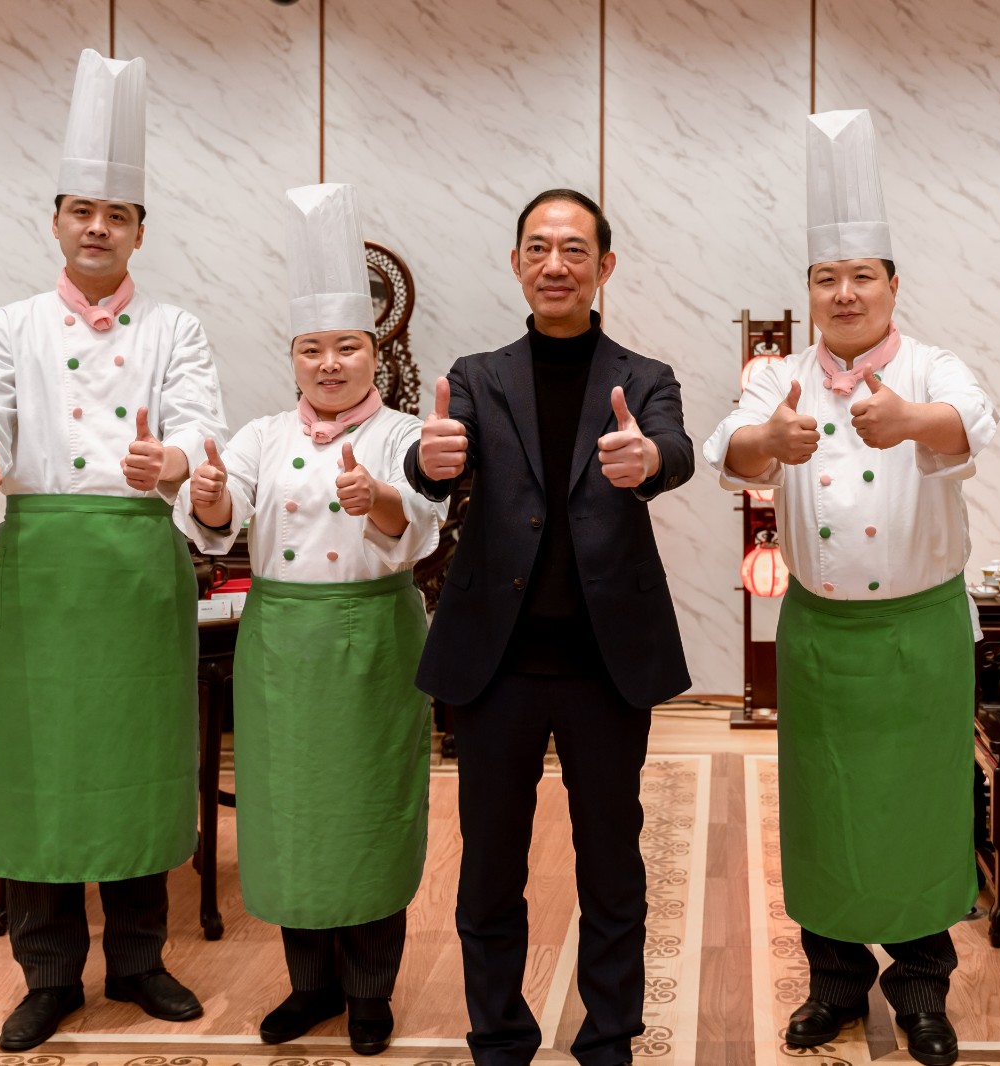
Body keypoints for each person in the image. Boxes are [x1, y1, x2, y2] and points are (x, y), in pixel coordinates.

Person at [0, 48, 226, 1052]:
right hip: (39, 568)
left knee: (141, 763)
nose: (97, 227)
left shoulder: (176, 327)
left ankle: (139, 959)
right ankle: (48, 973)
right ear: (55, 221)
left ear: (140, 229)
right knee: (39, 771)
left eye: (117, 214)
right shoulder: (11, 327)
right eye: (81, 210)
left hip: (138, 564)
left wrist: (174, 461)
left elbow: (202, 429)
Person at [704, 110, 994, 1066]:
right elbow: (730, 447)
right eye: (827, 277)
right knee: (823, 806)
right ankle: (831, 984)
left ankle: (921, 991)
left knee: (922, 807)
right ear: (810, 291)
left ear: (893, 285)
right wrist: (769, 441)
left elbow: (972, 423)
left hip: (919, 630)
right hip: (822, 631)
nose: (844, 292)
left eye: (862, 275)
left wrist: (911, 421)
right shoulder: (780, 376)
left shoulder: (933, 366)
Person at [404, 188, 693, 1065]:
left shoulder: (644, 376)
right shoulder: (479, 375)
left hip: (607, 663)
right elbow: (438, 458)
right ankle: (498, 1037)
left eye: (573, 250)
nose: (555, 264)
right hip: (497, 665)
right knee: (490, 866)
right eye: (538, 248)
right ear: (517, 263)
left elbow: (675, 449)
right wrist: (426, 460)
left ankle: (608, 1040)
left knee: (613, 863)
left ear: (604, 266)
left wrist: (648, 458)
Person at [174, 183, 442, 1057]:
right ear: (292, 356)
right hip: (282, 645)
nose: (330, 365)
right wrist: (210, 496)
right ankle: (309, 986)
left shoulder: (404, 433)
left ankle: (369, 993)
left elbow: (420, 524)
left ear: (376, 351)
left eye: (348, 347)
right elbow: (223, 516)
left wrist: (379, 500)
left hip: (375, 642)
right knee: (291, 816)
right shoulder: (258, 436)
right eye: (313, 349)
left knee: (368, 810)